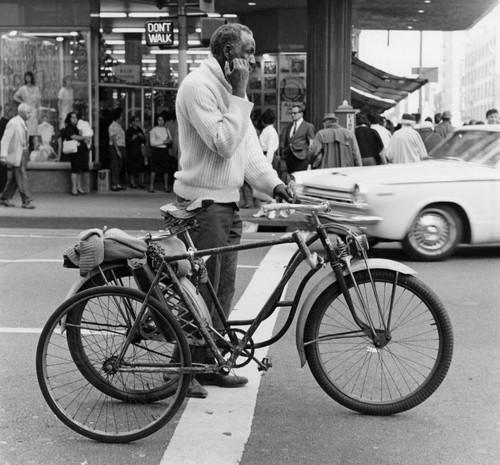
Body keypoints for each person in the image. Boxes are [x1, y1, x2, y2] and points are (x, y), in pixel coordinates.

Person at [174, 22, 292, 394]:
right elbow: (224, 143)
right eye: (249, 51)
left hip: (227, 204)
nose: (254, 59)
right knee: (200, 290)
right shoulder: (198, 86)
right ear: (228, 55)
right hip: (203, 204)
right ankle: (183, 368)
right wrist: (240, 94)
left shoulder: (230, 91)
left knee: (222, 292)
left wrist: (274, 186)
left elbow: (249, 153)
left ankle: (207, 363)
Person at [0, 103, 35, 209]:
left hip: (24, 152)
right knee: (21, 176)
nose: (29, 115)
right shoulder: (14, 123)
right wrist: (3, 155)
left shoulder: (22, 123)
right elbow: (5, 140)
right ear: (21, 112)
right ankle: (26, 200)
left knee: (15, 178)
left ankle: (5, 197)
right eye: (28, 112)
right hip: (18, 153)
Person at [253, 108, 280, 218]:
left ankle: (272, 205)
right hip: (262, 158)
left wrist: (266, 165)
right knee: (259, 187)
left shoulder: (270, 132)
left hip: (267, 159)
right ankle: (263, 209)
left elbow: (270, 150)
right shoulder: (267, 130)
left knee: (262, 186)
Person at [59, 112, 90, 195]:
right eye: (72, 117)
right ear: (69, 119)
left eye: (76, 117)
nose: (75, 119)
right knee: (75, 169)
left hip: (81, 150)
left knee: (80, 169)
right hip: (75, 151)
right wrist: (84, 137)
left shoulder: (77, 127)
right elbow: (74, 137)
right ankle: (74, 188)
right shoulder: (68, 128)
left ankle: (79, 187)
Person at [280, 104, 315, 175]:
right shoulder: (288, 127)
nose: (292, 115)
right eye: (291, 113)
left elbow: (312, 144)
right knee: (291, 179)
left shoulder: (308, 126)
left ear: (301, 114)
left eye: (295, 113)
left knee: (300, 179)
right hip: (289, 158)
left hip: (301, 158)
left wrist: (308, 159)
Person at [13, 71, 41, 151]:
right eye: (26, 77)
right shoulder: (23, 88)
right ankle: (25, 149)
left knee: (35, 131)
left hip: (34, 111)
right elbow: (15, 96)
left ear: (31, 77)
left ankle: (36, 150)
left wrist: (39, 112)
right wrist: (22, 102)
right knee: (26, 130)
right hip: (26, 111)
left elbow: (39, 102)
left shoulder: (36, 89)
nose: (27, 78)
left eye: (29, 76)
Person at [149, 113, 174, 193]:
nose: (161, 121)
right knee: (154, 169)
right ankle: (151, 186)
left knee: (166, 169)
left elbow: (171, 139)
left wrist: (167, 141)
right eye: (159, 120)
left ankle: (166, 186)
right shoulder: (154, 130)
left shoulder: (167, 130)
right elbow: (152, 143)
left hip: (164, 150)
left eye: (162, 120)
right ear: (156, 121)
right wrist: (163, 142)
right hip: (156, 150)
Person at [125, 116, 147, 188]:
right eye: (136, 121)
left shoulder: (140, 130)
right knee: (132, 167)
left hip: (139, 150)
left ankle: (141, 182)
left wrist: (142, 137)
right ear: (132, 122)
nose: (138, 122)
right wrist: (133, 138)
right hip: (131, 151)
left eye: (138, 121)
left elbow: (144, 141)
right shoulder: (129, 131)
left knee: (141, 167)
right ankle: (132, 182)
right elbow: (127, 141)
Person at [108, 107, 126, 191]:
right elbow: (113, 138)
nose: (122, 117)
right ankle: (114, 184)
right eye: (121, 115)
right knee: (115, 165)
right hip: (115, 147)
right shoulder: (113, 125)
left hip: (121, 146)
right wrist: (117, 150)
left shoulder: (119, 125)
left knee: (119, 165)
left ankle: (117, 183)